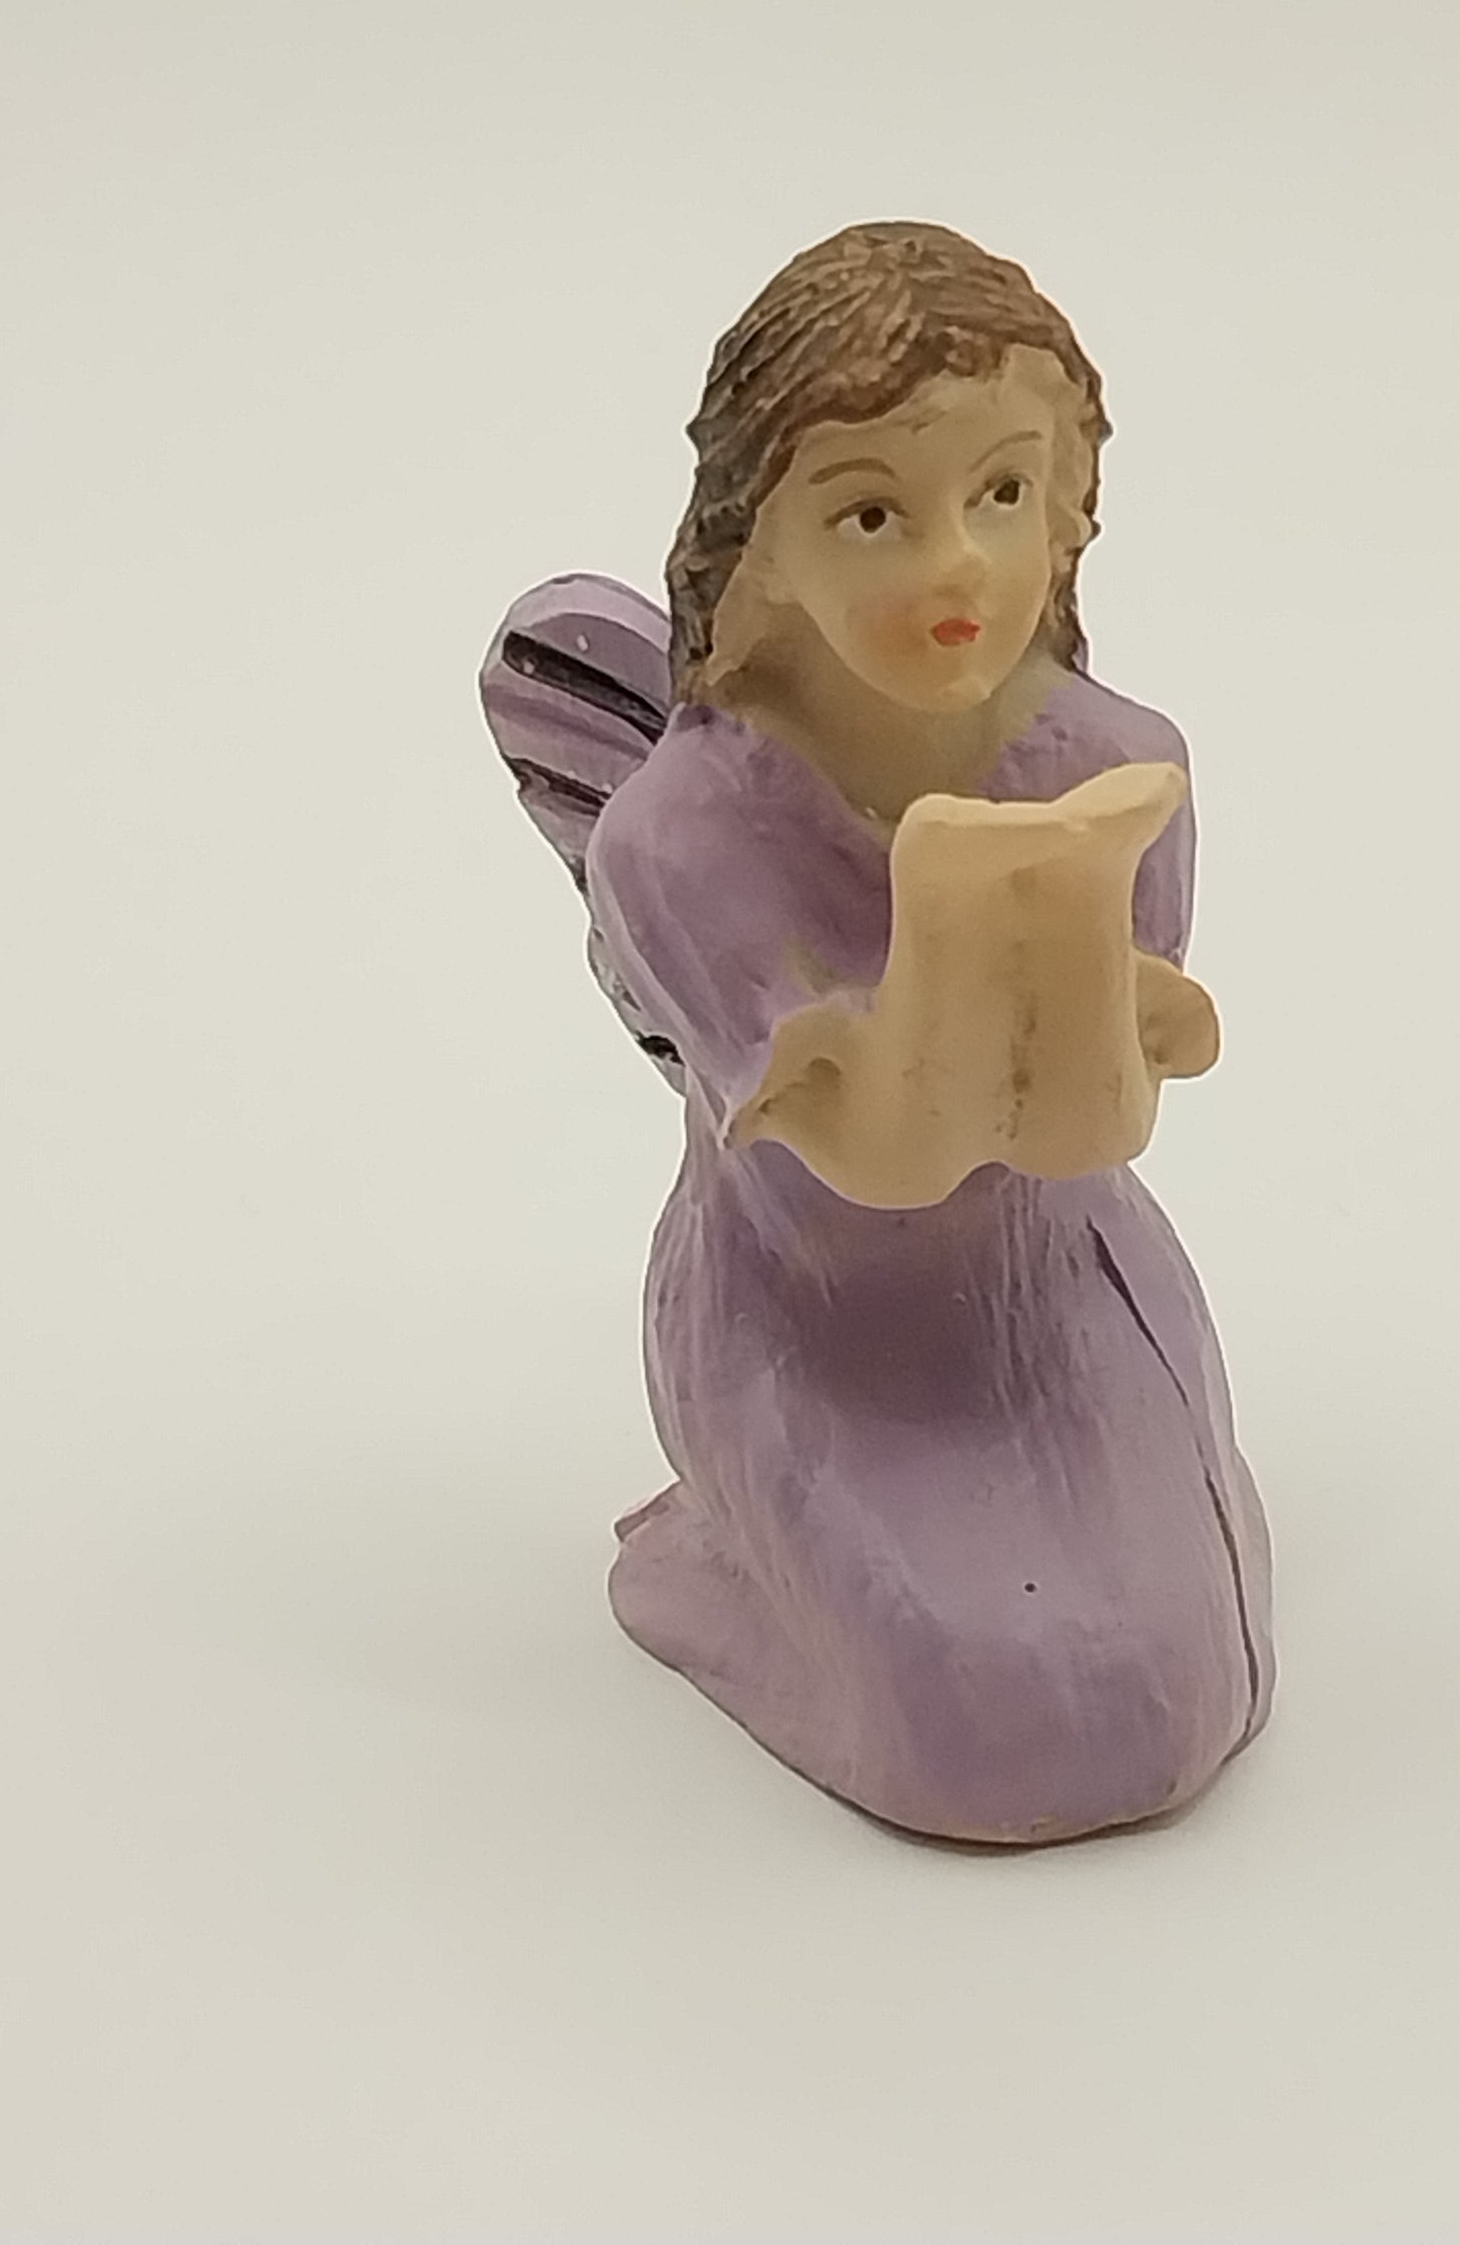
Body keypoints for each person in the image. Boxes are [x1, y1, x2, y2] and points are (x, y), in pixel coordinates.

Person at [487, 222, 1274, 1843]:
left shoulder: (1115, 762)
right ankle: (716, 1567)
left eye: (1002, 493)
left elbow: (1087, 1133)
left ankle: (917, 1582)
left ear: (1070, 506)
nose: (955, 566)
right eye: (870, 513)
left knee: (1175, 1698)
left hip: (1065, 1288)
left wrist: (1077, 924)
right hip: (811, 1324)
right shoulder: (683, 834)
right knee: (995, 1735)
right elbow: (874, 1160)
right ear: (762, 544)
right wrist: (947, 918)